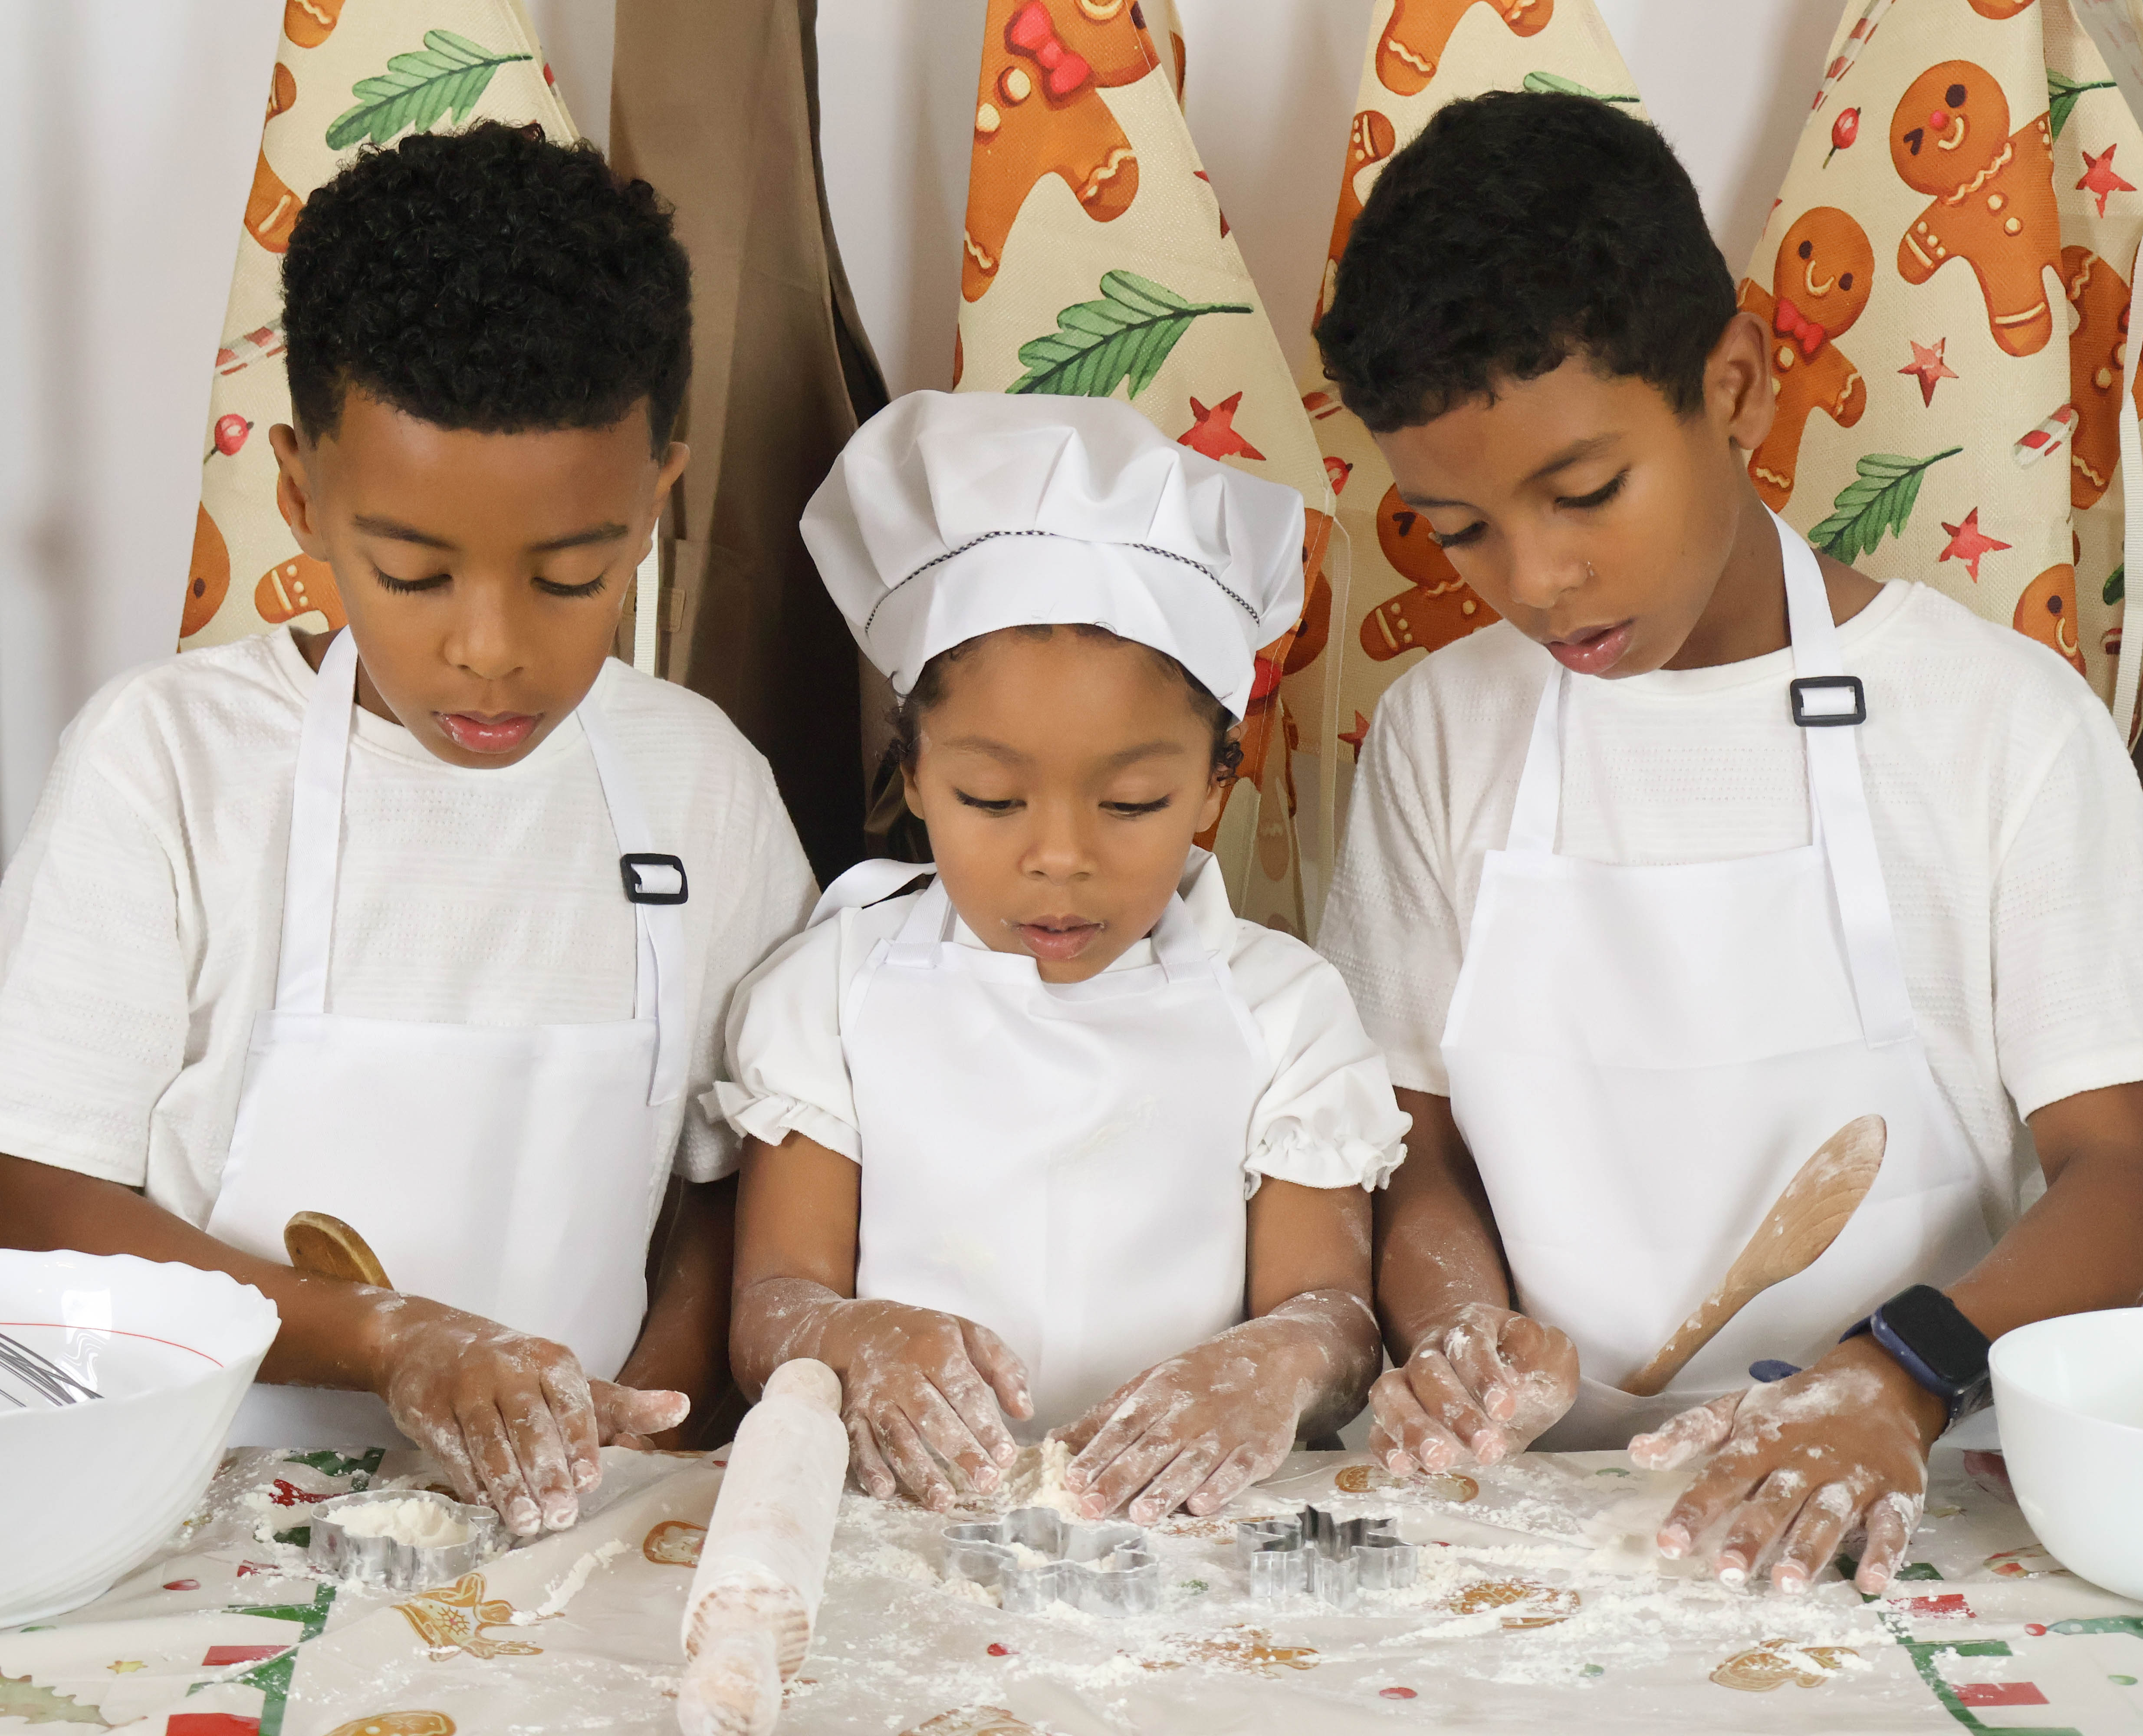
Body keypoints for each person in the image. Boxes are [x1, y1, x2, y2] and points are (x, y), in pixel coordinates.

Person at [1314, 91, 2143, 1595]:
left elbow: (2123, 1169)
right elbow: (1408, 1146)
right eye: (1458, 531)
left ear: (1740, 383)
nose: (1539, 580)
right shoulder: (1445, 733)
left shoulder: (1994, 725)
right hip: (1541, 1522)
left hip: (1919, 1501)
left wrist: (1895, 1376)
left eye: (1583, 494)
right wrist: (1451, 1335)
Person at [0, 125, 816, 1536]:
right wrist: (393, 1341)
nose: (488, 651)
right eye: (414, 572)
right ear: (304, 499)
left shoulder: (700, 786)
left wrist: (638, 1422)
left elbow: (736, 1185)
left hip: (587, 1509)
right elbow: (40, 1193)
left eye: (570, 577)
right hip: (202, 1504)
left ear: (651, 509)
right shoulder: (168, 765)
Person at [722, 391, 1410, 1520]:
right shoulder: (831, 992)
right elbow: (774, 1306)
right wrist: (843, 1333)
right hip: (893, 1531)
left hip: (1186, 1534)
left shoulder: (1283, 1010)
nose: (1058, 858)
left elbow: (1327, 1318)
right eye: (991, 798)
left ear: (1210, 792)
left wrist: (1273, 1369)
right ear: (911, 780)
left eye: (1132, 802)